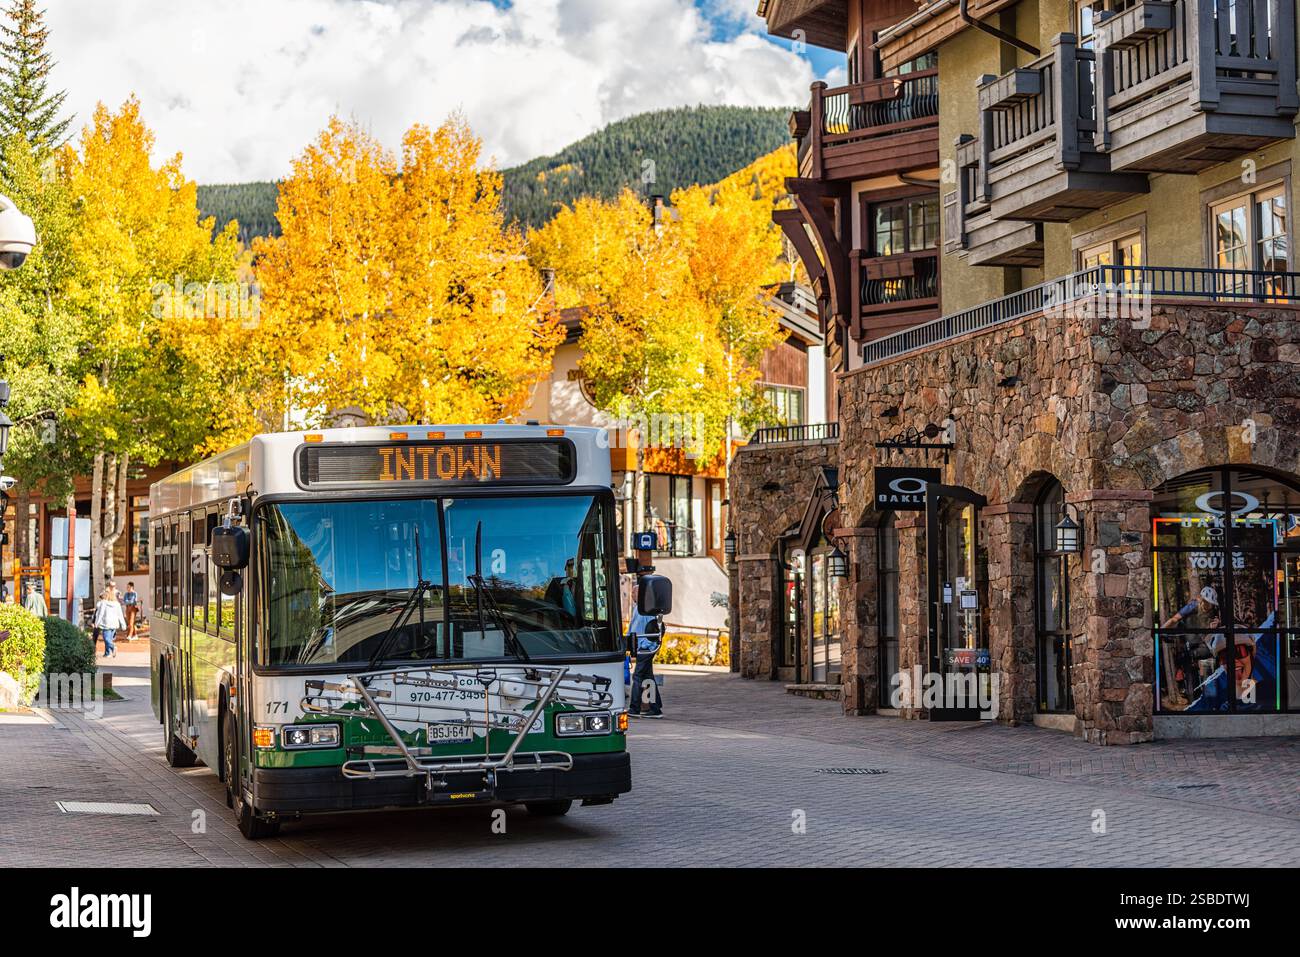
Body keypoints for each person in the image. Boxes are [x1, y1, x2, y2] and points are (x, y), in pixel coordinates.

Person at [626, 605, 664, 718]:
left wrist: (647, 646)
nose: (632, 594)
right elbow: (633, 627)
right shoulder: (637, 608)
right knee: (648, 678)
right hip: (640, 647)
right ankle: (655, 709)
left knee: (637, 676)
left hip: (645, 648)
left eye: (635, 592)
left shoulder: (647, 609)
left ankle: (634, 708)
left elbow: (655, 629)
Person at [93, 587, 127, 659]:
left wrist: (97, 623)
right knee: (109, 639)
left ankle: (112, 647)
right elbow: (120, 615)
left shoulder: (103, 603)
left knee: (106, 639)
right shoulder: (117, 604)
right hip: (114, 624)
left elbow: (100, 614)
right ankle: (107, 653)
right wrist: (123, 624)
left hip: (106, 624)